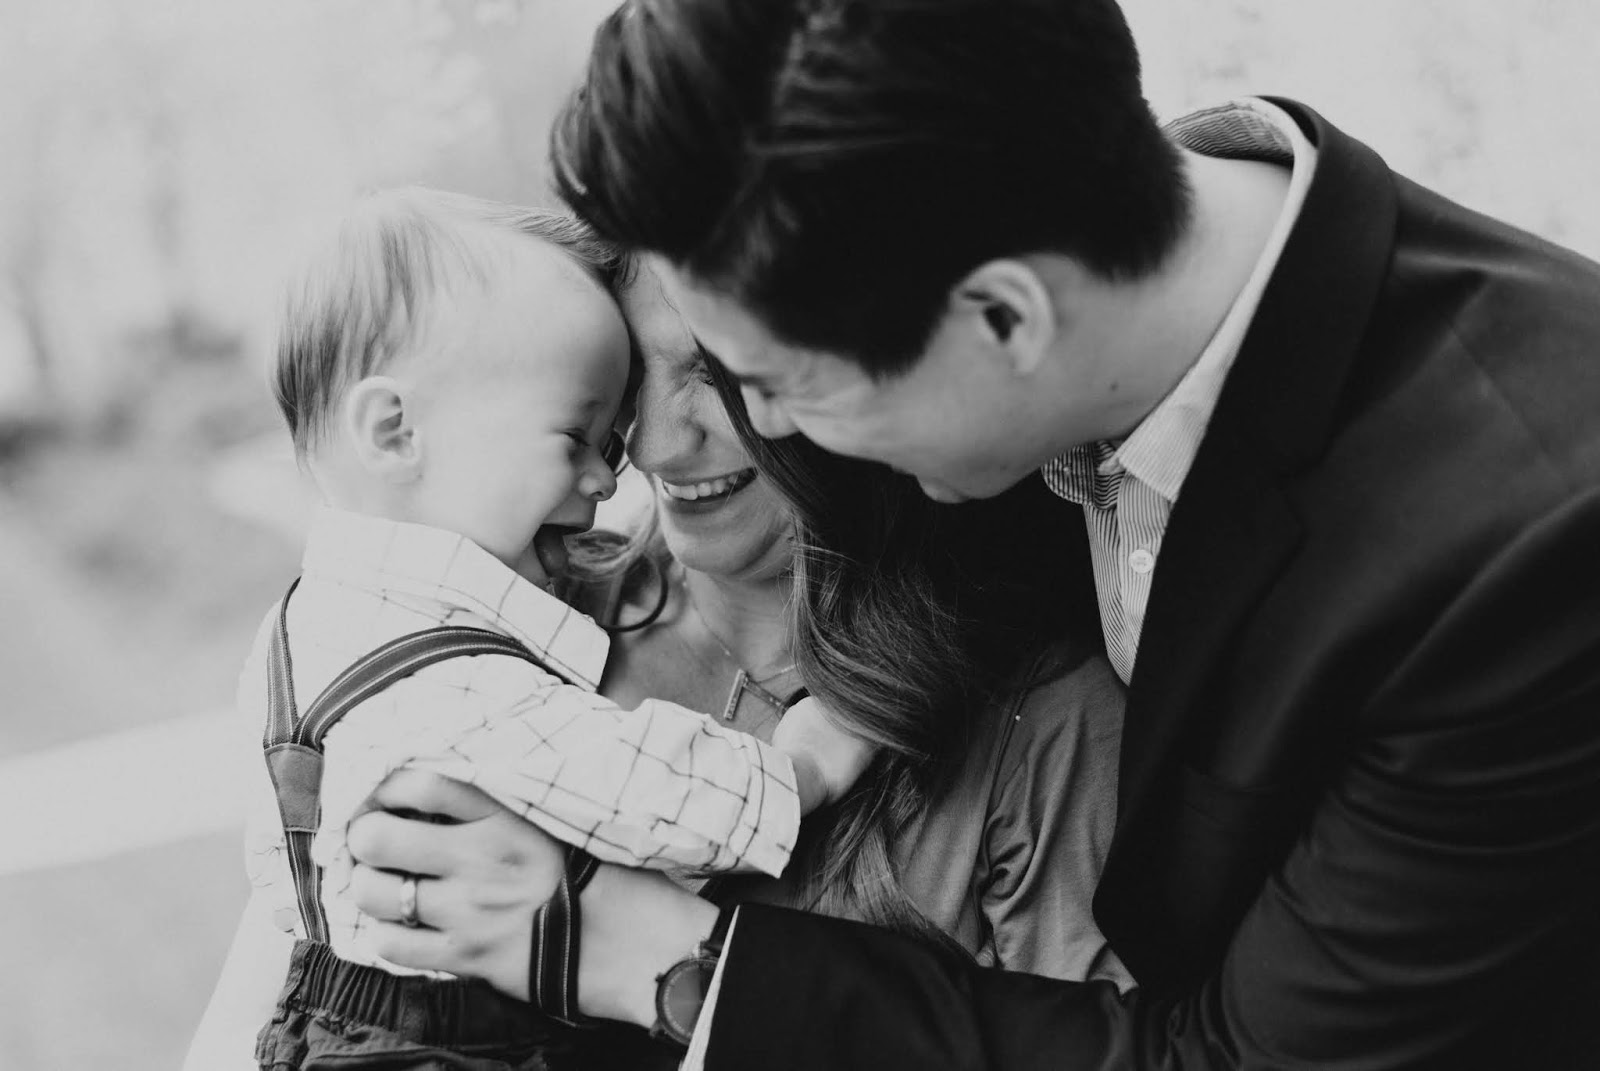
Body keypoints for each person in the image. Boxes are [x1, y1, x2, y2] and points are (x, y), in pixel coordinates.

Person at [346, 0, 1600, 1067]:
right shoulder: (1011, 273)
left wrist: (670, 962)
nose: (725, 439)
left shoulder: (1528, 553)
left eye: (774, 385)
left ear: (1002, 320)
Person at [187, 188, 877, 1071]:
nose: (610, 476)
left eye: (608, 440)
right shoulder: (457, 679)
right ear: (395, 431)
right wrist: (801, 767)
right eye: (575, 437)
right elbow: (639, 791)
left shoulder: (308, 625)